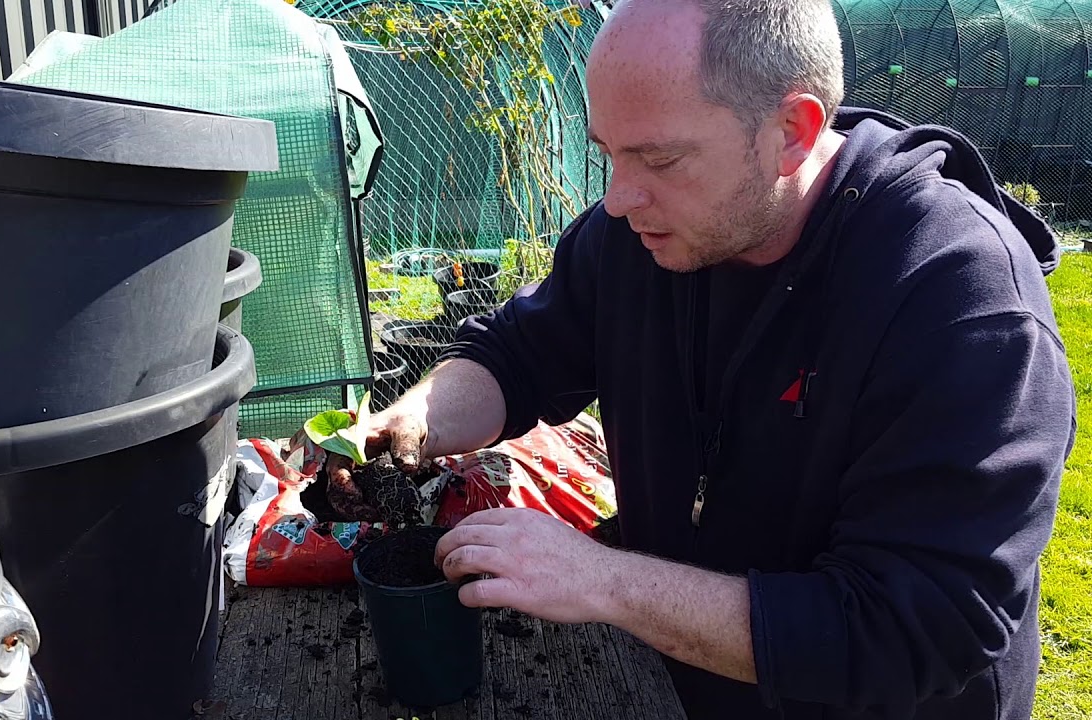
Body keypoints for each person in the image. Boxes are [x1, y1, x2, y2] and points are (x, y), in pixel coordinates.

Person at [330, 0, 1078, 717]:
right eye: (608, 154)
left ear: (792, 129)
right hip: (678, 685)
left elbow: (911, 629)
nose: (619, 198)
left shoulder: (959, 301)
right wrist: (417, 419)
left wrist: (606, 582)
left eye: (658, 158)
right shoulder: (636, 240)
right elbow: (519, 352)